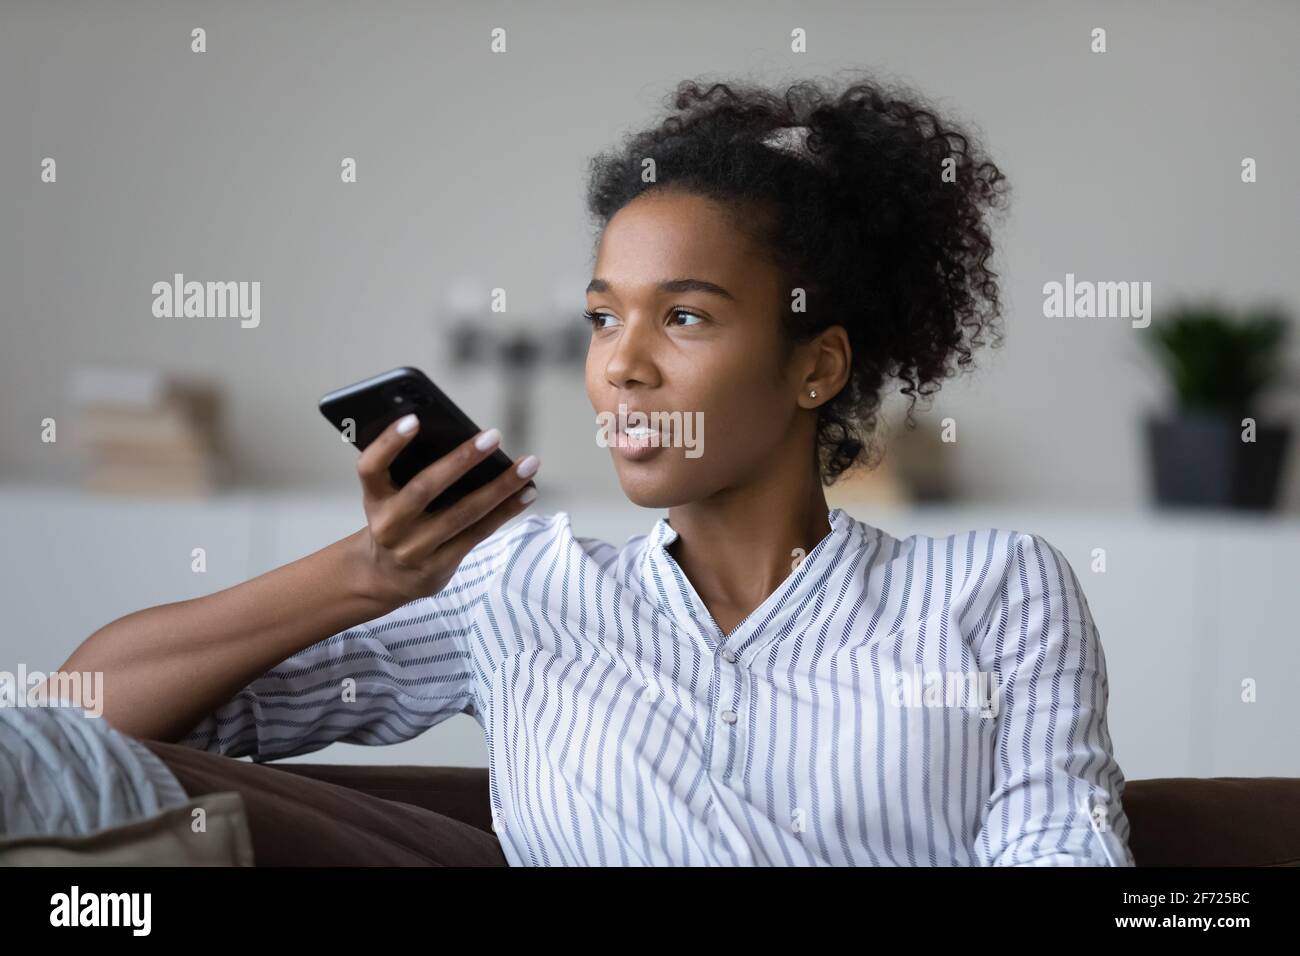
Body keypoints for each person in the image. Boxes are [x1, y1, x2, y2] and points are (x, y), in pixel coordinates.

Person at [35, 73, 1134, 866]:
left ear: (816, 365)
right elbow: (76, 717)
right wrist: (372, 572)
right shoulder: (522, 591)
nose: (622, 365)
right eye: (604, 319)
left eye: (686, 317)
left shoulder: (993, 591)